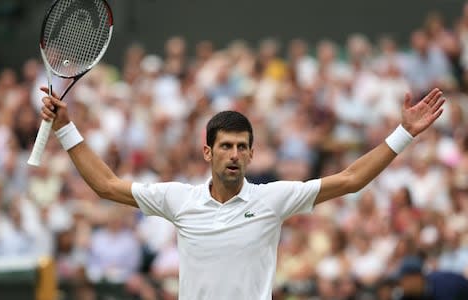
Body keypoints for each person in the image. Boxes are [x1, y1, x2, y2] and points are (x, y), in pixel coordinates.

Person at [38, 86, 445, 300]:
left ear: (252, 154)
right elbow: (106, 185)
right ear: (207, 152)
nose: (233, 154)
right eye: (226, 146)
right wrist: (65, 128)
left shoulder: (273, 199)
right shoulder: (179, 200)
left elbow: (352, 178)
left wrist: (403, 134)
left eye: (241, 147)